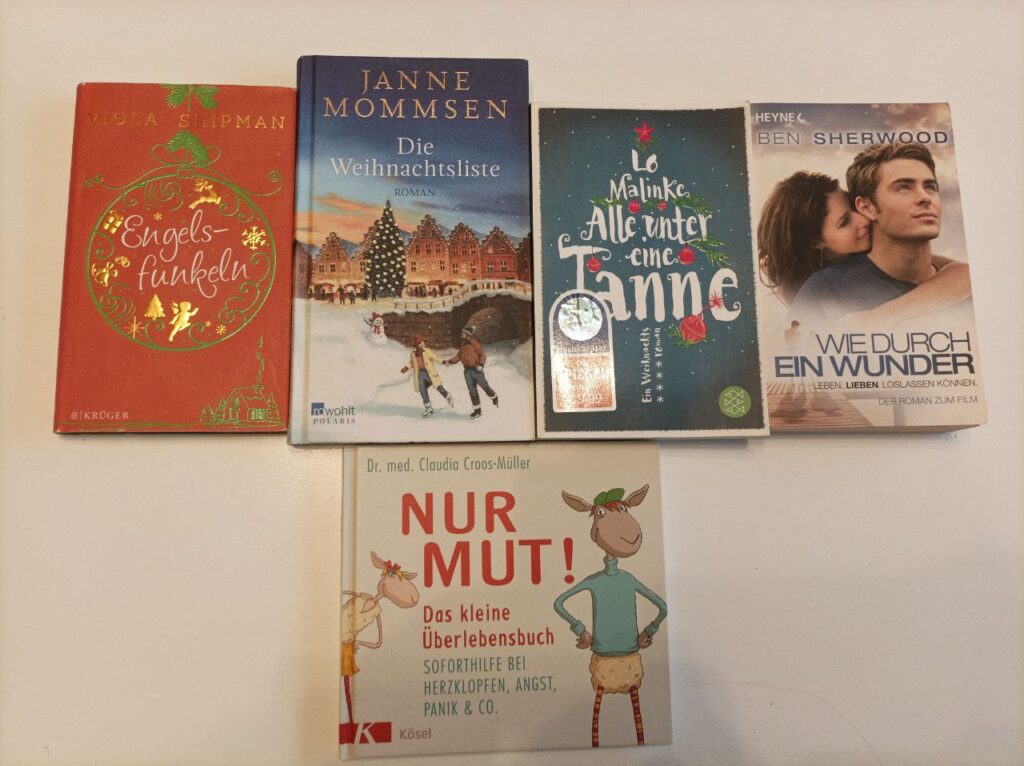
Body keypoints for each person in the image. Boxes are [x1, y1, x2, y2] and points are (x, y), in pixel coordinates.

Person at [757, 149, 970, 330]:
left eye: (930, 187)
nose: (863, 219)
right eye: (844, 222)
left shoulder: (915, 265)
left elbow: (964, 274)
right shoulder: (821, 290)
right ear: (817, 242)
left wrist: (878, 317)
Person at [444, 325, 498, 420]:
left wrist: (481, 365)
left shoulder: (475, 344)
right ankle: (477, 410)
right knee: (472, 390)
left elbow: (483, 355)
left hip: (476, 370)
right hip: (467, 371)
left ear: (468, 335)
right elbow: (459, 356)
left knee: (484, 386)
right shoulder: (463, 345)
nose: (461, 335)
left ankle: (494, 396)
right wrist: (450, 361)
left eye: (463, 333)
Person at [400, 334, 454, 418]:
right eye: (421, 342)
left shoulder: (427, 351)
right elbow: (411, 363)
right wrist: (406, 367)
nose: (423, 344)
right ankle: (428, 408)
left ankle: (447, 395)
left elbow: (435, 358)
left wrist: (443, 361)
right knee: (422, 389)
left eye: (423, 342)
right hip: (420, 374)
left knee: (437, 385)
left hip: (429, 373)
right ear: (417, 344)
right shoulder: (413, 354)